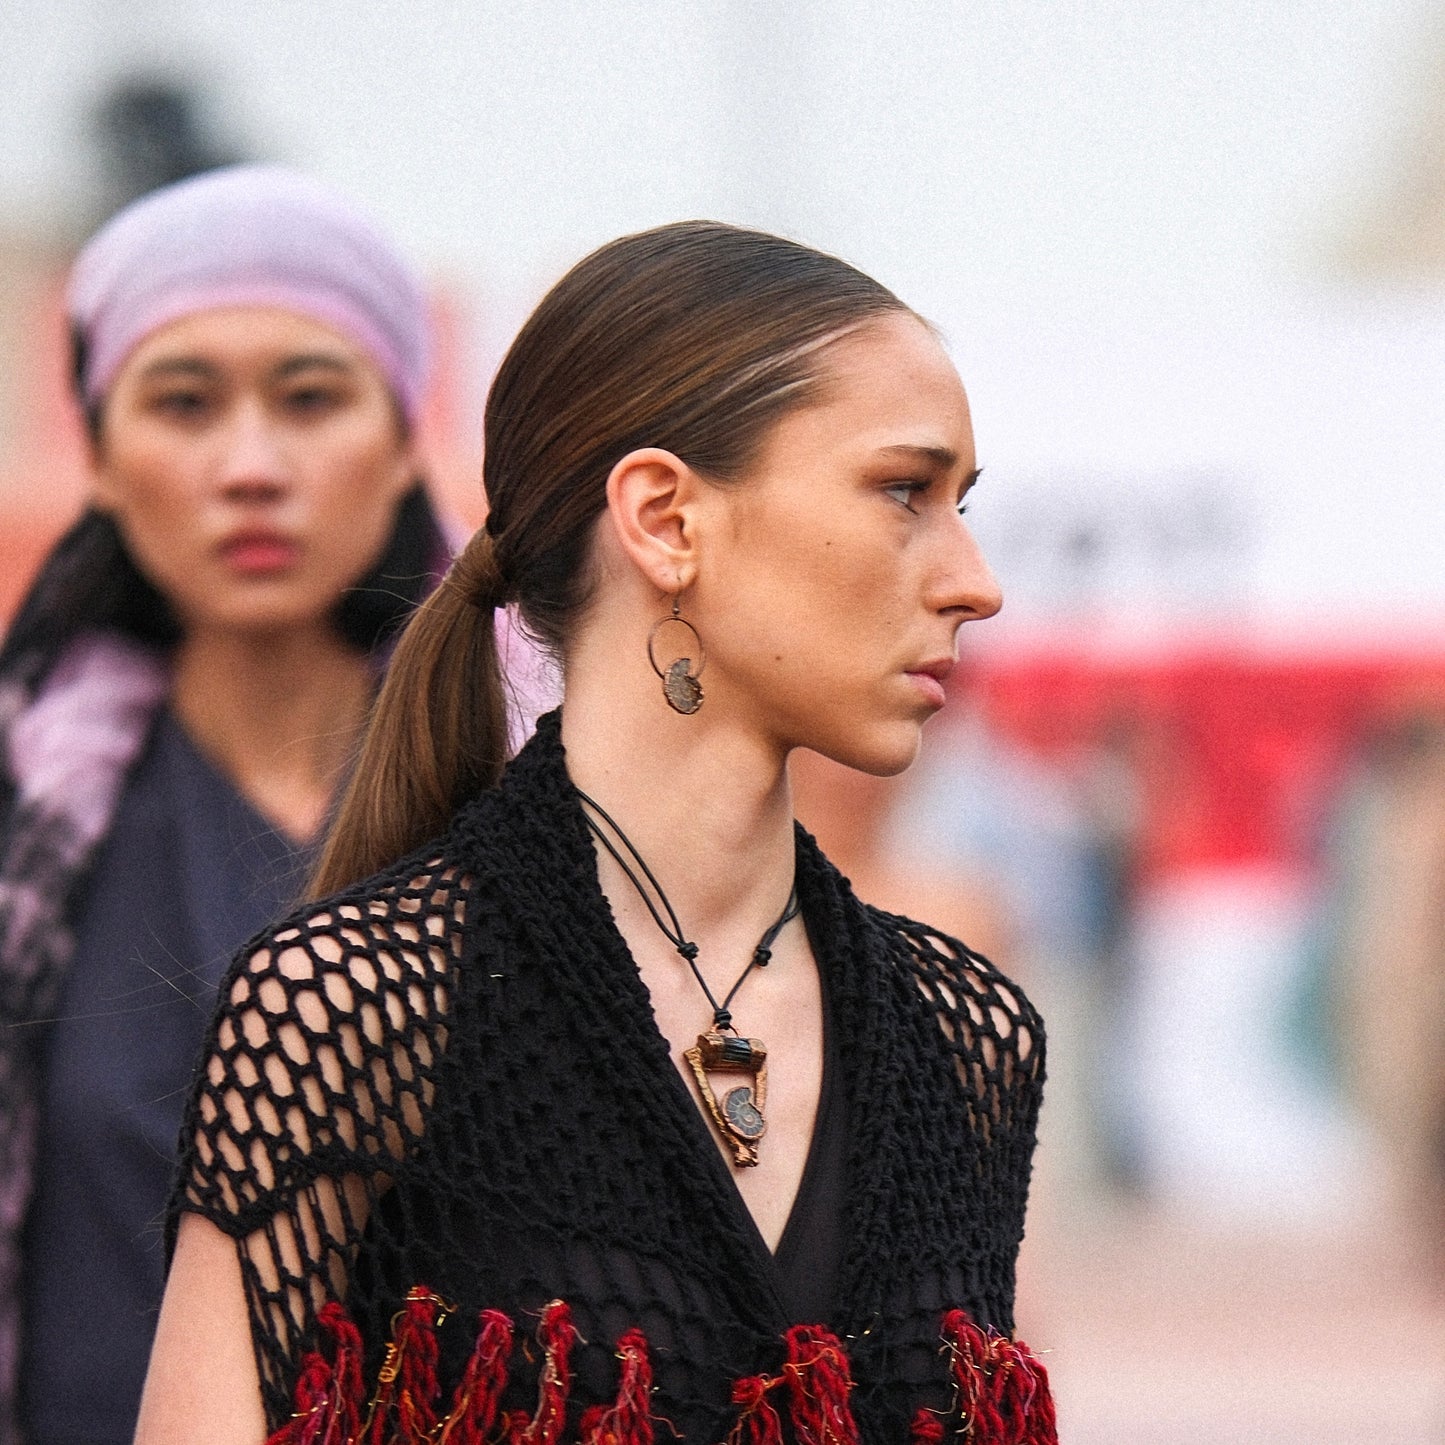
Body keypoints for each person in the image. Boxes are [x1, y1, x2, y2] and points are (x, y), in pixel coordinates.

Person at [139, 221, 1054, 1444]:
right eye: (904, 491)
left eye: (961, 502)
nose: (974, 579)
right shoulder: (354, 1004)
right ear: (665, 518)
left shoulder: (961, 1032)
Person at [0, 165, 463, 1445]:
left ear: (401, 437)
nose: (250, 466)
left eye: (310, 398)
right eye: (183, 402)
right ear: (99, 455)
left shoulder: (525, 802)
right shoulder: (26, 830)